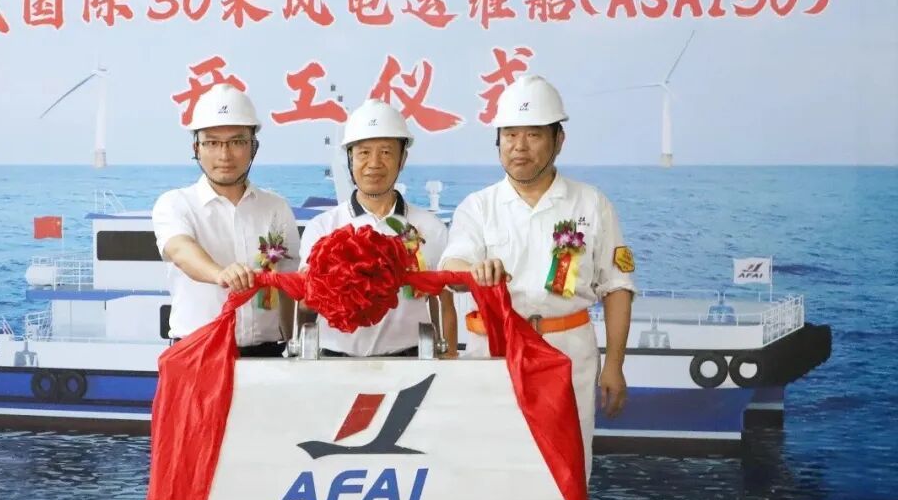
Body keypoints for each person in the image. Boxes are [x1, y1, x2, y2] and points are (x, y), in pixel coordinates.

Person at [439, 74, 635, 479]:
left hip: (568, 353)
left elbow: (617, 287)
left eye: (533, 135)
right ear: (497, 141)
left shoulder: (591, 203)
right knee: (490, 468)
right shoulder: (478, 206)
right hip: (495, 354)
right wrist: (474, 271)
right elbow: (451, 268)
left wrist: (614, 364)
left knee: (566, 472)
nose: (520, 146)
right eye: (510, 135)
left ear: (558, 140)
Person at [299, 99, 458, 357]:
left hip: (409, 361)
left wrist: (449, 359)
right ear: (350, 158)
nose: (374, 163)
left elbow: (445, 302)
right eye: (363, 153)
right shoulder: (322, 228)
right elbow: (305, 303)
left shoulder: (431, 228)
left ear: (403, 158)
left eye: (385, 152)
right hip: (333, 362)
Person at [152, 84, 300, 357]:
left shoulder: (275, 207)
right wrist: (219, 274)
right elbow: (181, 250)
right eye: (212, 142)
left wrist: (294, 346)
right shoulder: (175, 203)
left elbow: (289, 284)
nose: (225, 155)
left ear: (253, 146)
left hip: (267, 356)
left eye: (237, 142)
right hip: (198, 355)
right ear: (196, 148)